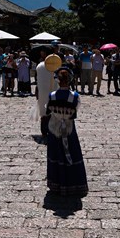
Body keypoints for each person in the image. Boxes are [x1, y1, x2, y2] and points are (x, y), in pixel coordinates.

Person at [45, 67, 88, 196]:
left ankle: (57, 184)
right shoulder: (75, 96)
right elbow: (76, 110)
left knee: (56, 155)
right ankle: (72, 184)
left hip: (54, 129)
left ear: (58, 81)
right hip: (69, 129)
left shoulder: (52, 96)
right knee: (71, 154)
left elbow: (47, 111)